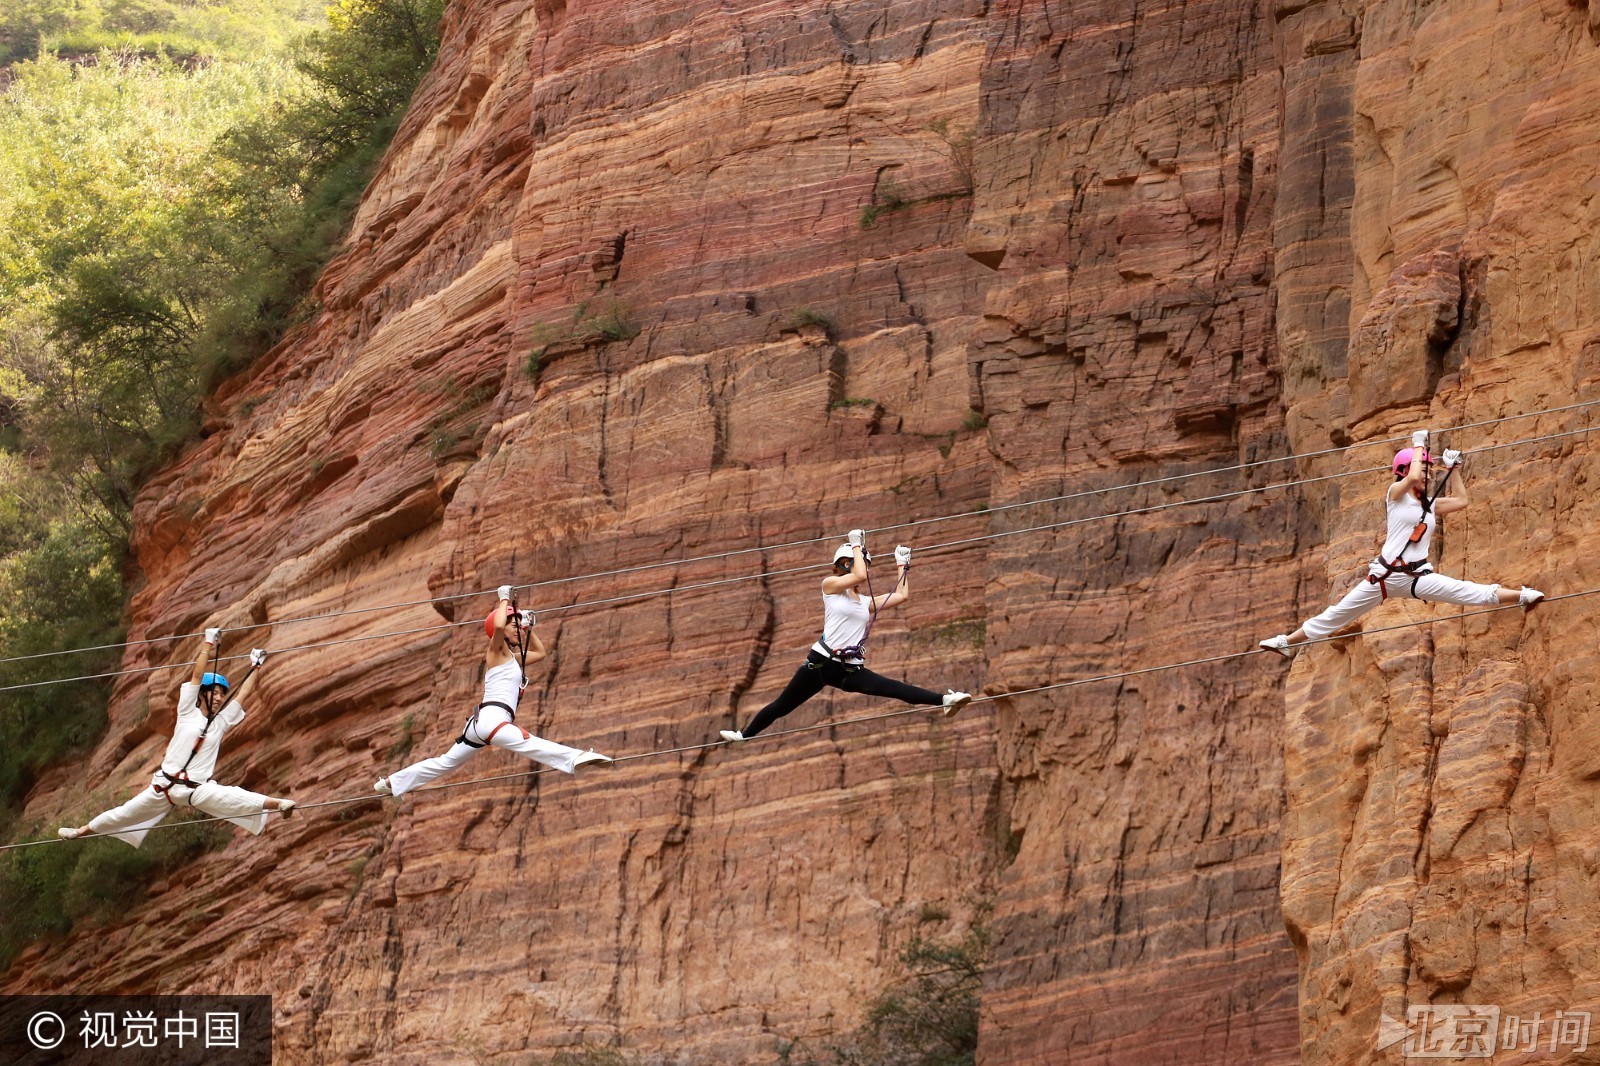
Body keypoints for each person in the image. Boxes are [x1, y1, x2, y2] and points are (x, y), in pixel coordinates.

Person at [1259, 432, 1545, 658]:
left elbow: (1461, 501)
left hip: (1415, 577)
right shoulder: (1395, 495)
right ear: (1405, 469)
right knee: (1335, 616)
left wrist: (1453, 469)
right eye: (1425, 468)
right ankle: (1286, 642)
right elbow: (1413, 477)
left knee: (1466, 591)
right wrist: (1419, 443)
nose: (1428, 475)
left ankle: (1521, 596)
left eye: (1430, 470)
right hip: (1383, 577)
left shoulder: (1429, 505)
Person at [720, 530, 973, 743]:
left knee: (895, 688)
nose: (861, 568)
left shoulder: (864, 602)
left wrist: (902, 565)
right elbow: (859, 575)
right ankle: (744, 735)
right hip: (820, 664)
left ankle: (944, 700)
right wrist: (856, 544)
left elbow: (901, 596)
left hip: (848, 670)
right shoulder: (829, 586)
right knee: (781, 706)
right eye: (856, 562)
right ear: (845, 564)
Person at [58, 630, 296, 846]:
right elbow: (197, 675)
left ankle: (279, 804)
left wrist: (255, 667)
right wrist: (208, 642)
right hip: (162, 787)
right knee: (124, 814)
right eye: (214, 693)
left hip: (194, 791)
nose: (218, 698)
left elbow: (242, 694)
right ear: (201, 695)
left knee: (231, 796)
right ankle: (79, 831)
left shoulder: (221, 722)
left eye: (221, 695)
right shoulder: (187, 712)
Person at [375, 585, 612, 796]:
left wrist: (528, 628)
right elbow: (498, 624)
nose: (518, 629)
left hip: (479, 724)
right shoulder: (495, 652)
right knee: (528, 742)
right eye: (514, 625)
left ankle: (391, 783)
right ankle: (576, 758)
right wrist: (503, 598)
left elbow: (540, 653)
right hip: (492, 720)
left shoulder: (512, 660)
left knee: (444, 763)